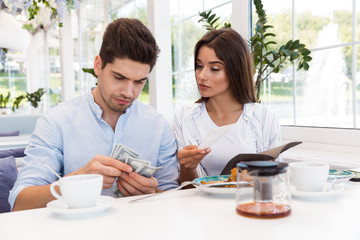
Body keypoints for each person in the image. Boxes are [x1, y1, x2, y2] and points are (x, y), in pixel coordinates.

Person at [9, 18, 179, 211]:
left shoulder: (158, 126)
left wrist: (153, 194)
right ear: (98, 65)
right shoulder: (56, 122)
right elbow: (20, 203)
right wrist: (74, 182)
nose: (129, 92)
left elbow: (174, 198)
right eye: (119, 77)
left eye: (140, 82)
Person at [172, 28, 281, 183]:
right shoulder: (184, 118)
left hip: (249, 204)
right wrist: (187, 167)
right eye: (199, 66)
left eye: (214, 69)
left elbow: (275, 181)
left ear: (235, 71)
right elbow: (186, 189)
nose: (201, 76)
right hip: (200, 205)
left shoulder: (264, 117)